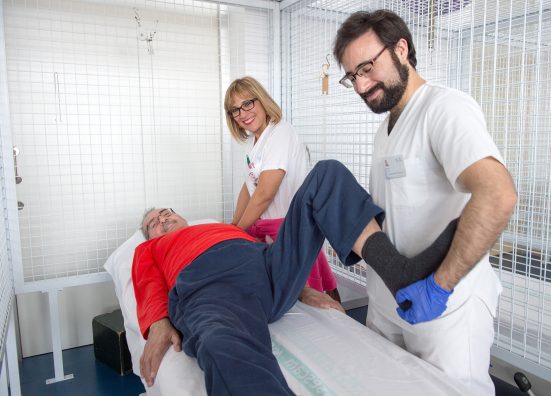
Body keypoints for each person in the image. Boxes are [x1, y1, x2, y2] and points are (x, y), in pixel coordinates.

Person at [133, 160, 459, 396]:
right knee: (221, 343)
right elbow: (147, 283)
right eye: (154, 223)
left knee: (325, 175)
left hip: (266, 268)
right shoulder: (152, 250)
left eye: (166, 214)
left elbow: (270, 248)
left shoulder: (224, 227)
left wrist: (302, 287)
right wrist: (159, 322)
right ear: (149, 237)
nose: (162, 220)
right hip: (209, 288)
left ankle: (399, 274)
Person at [333, 10, 517, 395]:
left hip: (445, 310)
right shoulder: (385, 128)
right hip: (387, 301)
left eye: (367, 67)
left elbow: (497, 194)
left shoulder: (445, 109)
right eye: (352, 76)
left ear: (401, 49)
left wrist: (439, 287)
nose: (362, 85)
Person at [224, 76, 340, 301]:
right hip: (268, 232)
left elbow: (265, 193)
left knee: (313, 295)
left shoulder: (280, 133)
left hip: (289, 229)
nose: (243, 113)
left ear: (262, 100)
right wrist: (234, 226)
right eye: (235, 110)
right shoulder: (254, 141)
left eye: (248, 103)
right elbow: (248, 188)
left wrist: (238, 232)